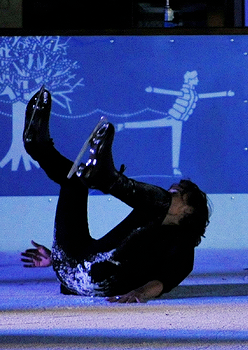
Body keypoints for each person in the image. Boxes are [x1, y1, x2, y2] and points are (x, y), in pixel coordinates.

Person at [20, 87, 210, 303]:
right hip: (69, 267)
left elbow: (163, 281)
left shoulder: (183, 247)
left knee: (155, 206)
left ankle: (108, 179)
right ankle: (38, 146)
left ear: (189, 211)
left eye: (178, 194)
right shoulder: (148, 214)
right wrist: (53, 259)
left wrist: (140, 294)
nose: (170, 192)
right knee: (75, 181)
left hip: (99, 279)